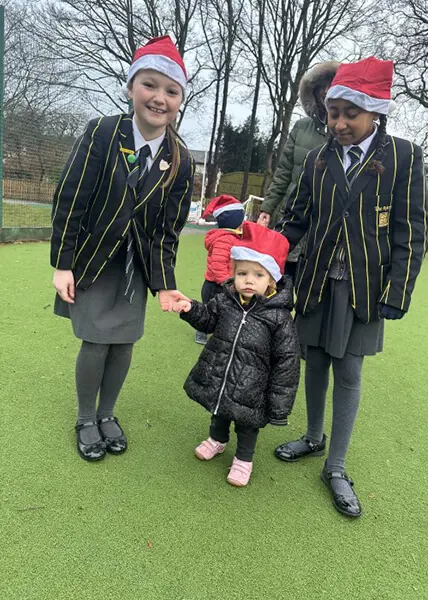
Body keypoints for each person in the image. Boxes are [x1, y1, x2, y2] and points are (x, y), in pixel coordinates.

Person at [274, 57, 427, 517]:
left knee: (350, 371)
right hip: (317, 278)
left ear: (374, 112)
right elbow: (296, 218)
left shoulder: (403, 156)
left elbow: (411, 231)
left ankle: (336, 466)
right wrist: (265, 256)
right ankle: (314, 437)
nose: (338, 123)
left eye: (349, 114)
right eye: (332, 112)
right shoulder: (320, 159)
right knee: (314, 359)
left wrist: (398, 291)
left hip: (364, 286)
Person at [51, 35, 195, 462]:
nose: (159, 98)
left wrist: (166, 284)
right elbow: (70, 197)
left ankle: (108, 413)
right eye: (150, 85)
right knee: (96, 342)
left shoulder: (180, 159)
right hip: (93, 260)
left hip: (137, 269)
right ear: (131, 87)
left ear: (180, 101)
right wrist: (62, 264)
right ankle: (84, 417)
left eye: (171, 91)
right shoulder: (102, 133)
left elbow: (167, 231)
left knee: (124, 342)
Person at [173, 222, 301, 487]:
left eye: (258, 275)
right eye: (242, 273)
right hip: (221, 373)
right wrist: (190, 309)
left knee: (247, 424)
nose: (249, 280)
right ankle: (217, 440)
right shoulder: (225, 301)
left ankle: (244, 459)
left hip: (252, 387)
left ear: (272, 280)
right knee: (219, 410)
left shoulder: (278, 317)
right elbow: (208, 319)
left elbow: (286, 363)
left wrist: (279, 405)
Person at [257, 61, 339, 278]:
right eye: (322, 86)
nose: (325, 91)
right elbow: (283, 171)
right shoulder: (301, 127)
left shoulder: (344, 133)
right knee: (277, 288)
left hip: (322, 225)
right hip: (290, 217)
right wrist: (267, 208)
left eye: (331, 85)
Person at [195, 194, 244, 345]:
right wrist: (226, 282)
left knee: (224, 310)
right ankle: (201, 331)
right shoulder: (224, 239)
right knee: (209, 309)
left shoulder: (233, 237)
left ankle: (221, 333)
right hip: (215, 285)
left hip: (224, 283)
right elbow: (217, 264)